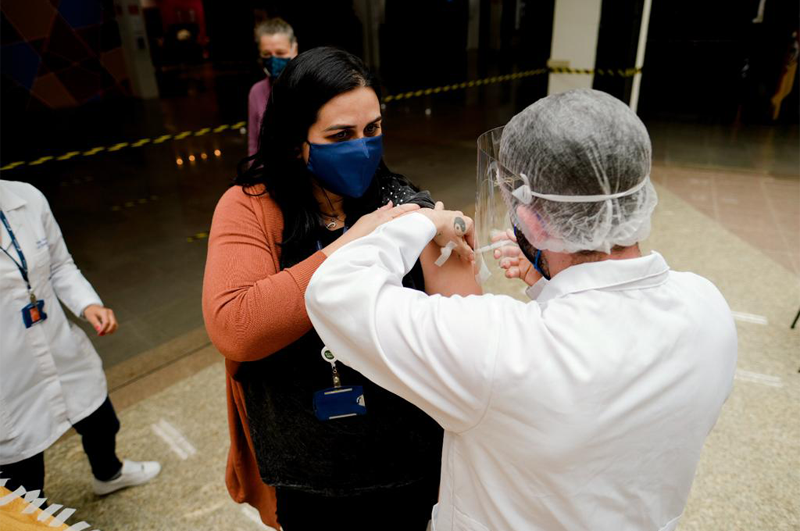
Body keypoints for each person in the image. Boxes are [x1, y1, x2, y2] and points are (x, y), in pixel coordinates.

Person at [305, 89, 738, 531]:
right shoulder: (709, 308)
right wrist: (547, 286)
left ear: (530, 218)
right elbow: (607, 362)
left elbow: (335, 293)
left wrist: (420, 219)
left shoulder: (499, 347)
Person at [203, 47, 478, 530]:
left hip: (406, 464)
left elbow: (464, 332)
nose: (363, 147)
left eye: (372, 130)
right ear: (295, 141)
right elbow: (237, 326)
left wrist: (449, 234)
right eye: (340, 135)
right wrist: (354, 242)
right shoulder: (250, 207)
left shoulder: (400, 203)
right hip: (308, 475)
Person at [0, 180, 160, 499]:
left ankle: (108, 474)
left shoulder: (28, 198)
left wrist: (89, 304)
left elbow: (59, 265)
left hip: (58, 346)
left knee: (100, 419)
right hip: (9, 375)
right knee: (23, 474)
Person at [248, 17, 299, 156]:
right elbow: (254, 144)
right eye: (267, 54)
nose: (273, 60)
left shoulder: (309, 86)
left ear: (294, 49)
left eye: (280, 53)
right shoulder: (256, 92)